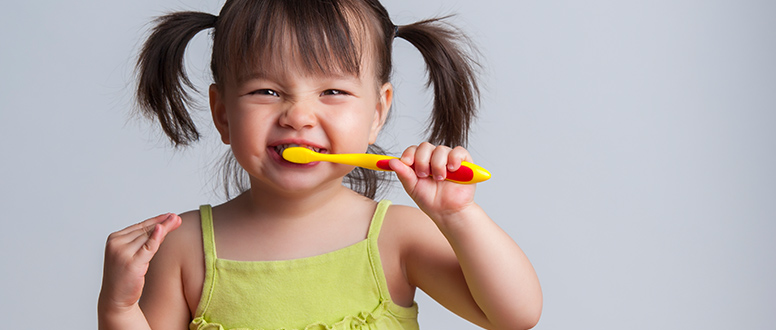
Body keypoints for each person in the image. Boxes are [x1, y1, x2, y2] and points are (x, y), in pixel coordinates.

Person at [98, 0, 542, 329]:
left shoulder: (397, 237)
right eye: (265, 92)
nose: (298, 115)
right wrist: (118, 309)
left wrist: (457, 215)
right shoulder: (182, 249)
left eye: (332, 92)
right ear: (223, 114)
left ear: (376, 113)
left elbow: (514, 315)